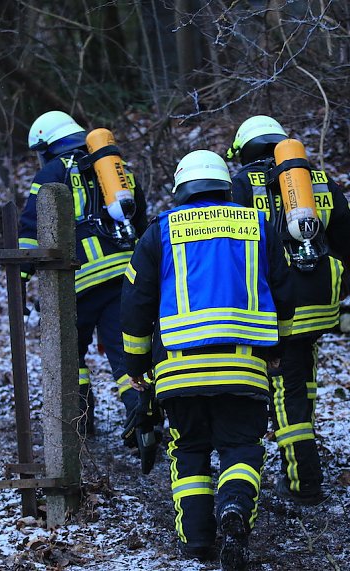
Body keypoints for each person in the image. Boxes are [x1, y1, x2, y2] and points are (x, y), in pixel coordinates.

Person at [121, 150, 295, 570]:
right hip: (244, 366)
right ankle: (233, 507)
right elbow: (285, 294)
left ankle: (197, 542)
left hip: (178, 369)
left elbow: (136, 301)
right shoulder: (258, 225)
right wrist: (276, 354)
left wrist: (135, 364)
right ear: (224, 185)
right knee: (241, 447)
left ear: (182, 187)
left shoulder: (159, 231)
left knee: (189, 453)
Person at [227, 115, 350, 505]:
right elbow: (348, 240)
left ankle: (305, 482)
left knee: (287, 391)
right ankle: (298, 454)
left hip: (274, 303)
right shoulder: (317, 180)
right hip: (318, 303)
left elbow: (235, 248)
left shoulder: (242, 184)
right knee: (300, 381)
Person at [18, 110, 153, 453]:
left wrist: (19, 280)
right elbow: (140, 216)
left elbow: (30, 229)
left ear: (49, 144)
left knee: (69, 356)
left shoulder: (51, 172)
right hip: (124, 275)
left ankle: (80, 428)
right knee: (126, 356)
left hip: (76, 280)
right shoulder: (115, 169)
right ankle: (142, 423)